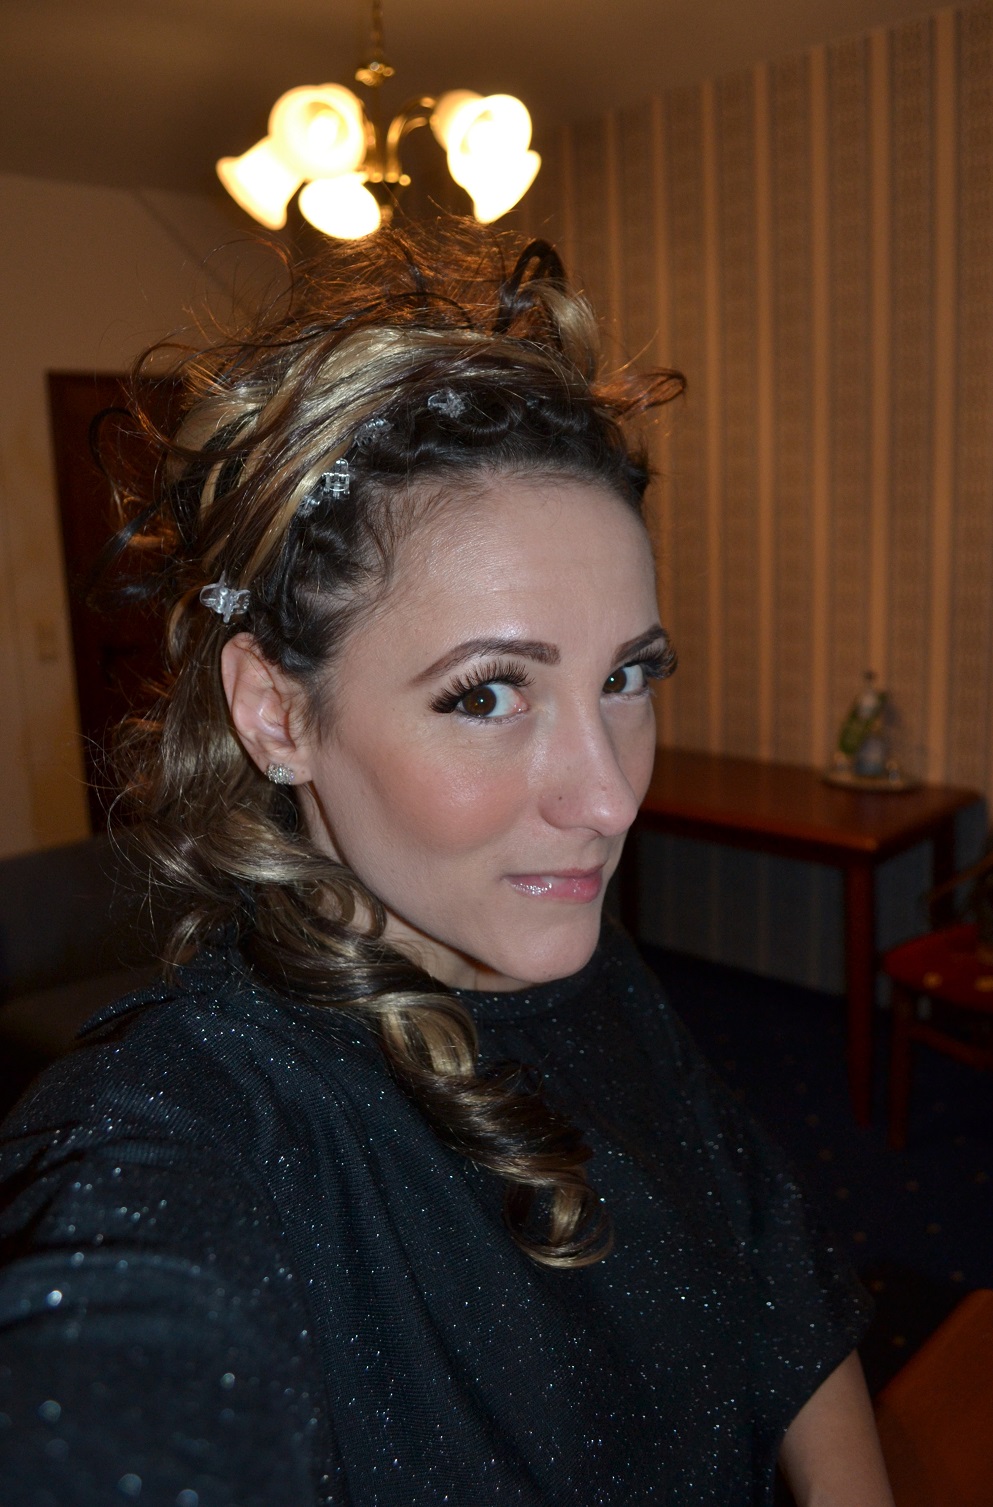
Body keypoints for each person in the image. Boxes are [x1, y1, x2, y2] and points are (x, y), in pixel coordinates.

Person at [0, 222, 892, 1506]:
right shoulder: (184, 1126)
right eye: (487, 695)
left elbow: (768, 1265)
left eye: (627, 677)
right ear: (276, 714)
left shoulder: (584, 960)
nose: (609, 797)